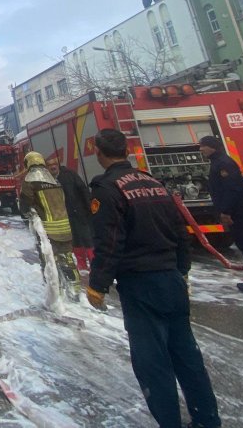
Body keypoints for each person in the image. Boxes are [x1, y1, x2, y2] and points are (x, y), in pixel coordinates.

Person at [87, 128, 221, 428]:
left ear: (99, 152)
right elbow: (180, 232)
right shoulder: (153, 182)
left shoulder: (106, 188)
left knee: (152, 362)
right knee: (187, 355)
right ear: (126, 150)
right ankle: (208, 420)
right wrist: (182, 271)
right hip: (171, 279)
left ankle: (169, 422)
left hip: (140, 284)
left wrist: (97, 284)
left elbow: (110, 241)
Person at [199, 135, 243, 292]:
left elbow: (232, 189)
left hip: (237, 212)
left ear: (212, 147)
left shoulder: (223, 163)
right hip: (236, 211)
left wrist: (226, 211)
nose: (201, 149)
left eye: (203, 146)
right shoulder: (220, 162)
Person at [19, 151, 79, 295]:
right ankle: (75, 291)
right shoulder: (54, 179)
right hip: (65, 228)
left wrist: (27, 214)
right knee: (68, 258)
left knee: (49, 260)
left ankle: (55, 292)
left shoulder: (30, 181)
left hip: (47, 230)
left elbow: (25, 205)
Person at [47, 155, 94, 270]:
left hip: (79, 212)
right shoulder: (47, 180)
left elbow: (83, 189)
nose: (53, 167)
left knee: (87, 238)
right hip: (64, 216)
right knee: (75, 240)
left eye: (55, 164)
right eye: (50, 165)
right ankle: (81, 264)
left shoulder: (69, 174)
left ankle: (94, 264)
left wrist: (89, 208)